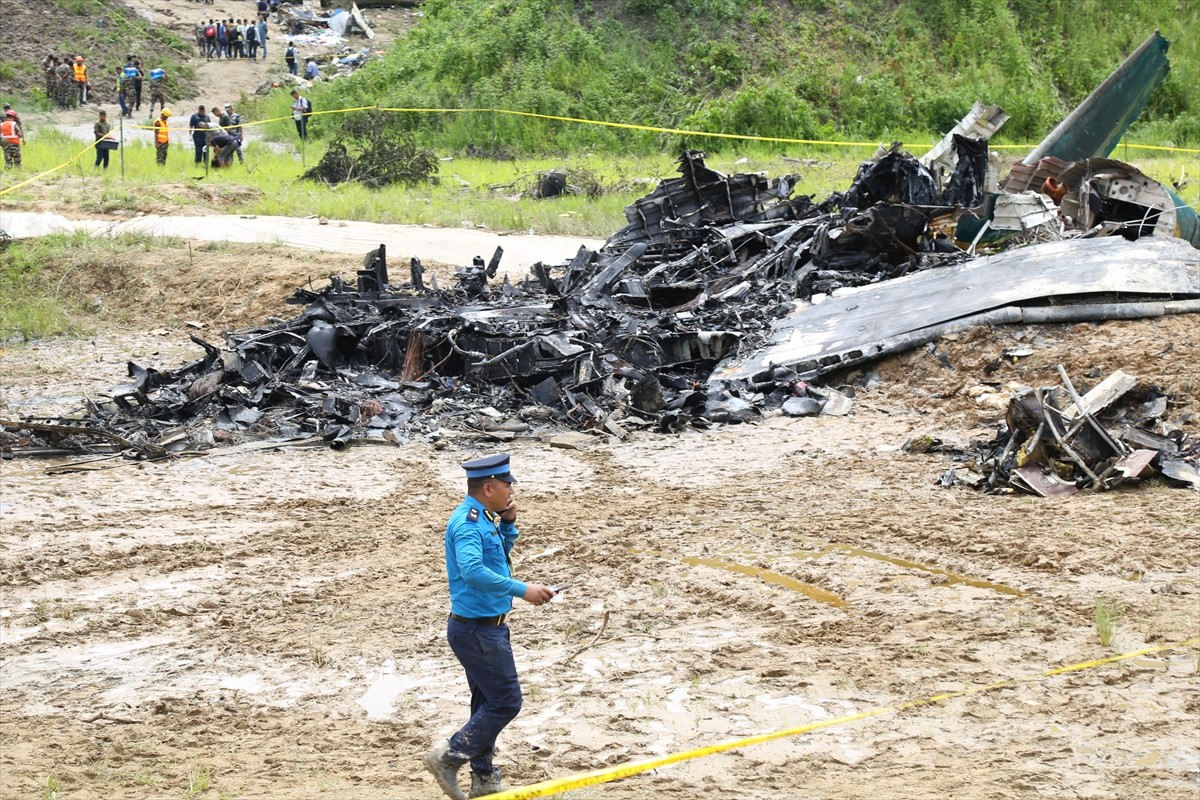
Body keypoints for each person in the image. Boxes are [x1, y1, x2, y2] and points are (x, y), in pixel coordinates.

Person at [424, 453, 556, 800]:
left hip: (483, 629)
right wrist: (523, 590)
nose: (511, 488)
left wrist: (508, 524)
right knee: (506, 702)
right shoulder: (468, 523)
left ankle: (484, 778)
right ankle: (449, 757)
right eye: (506, 484)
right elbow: (473, 571)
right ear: (488, 487)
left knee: (486, 703)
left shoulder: (483, 518)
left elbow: (495, 559)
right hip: (478, 632)